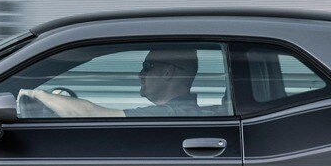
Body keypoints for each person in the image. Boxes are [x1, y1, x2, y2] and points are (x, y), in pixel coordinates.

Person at [20, 46, 203, 118]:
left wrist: (36, 94)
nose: (140, 74)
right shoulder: (182, 112)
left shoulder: (171, 115)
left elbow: (90, 114)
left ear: (168, 72)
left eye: (147, 66)